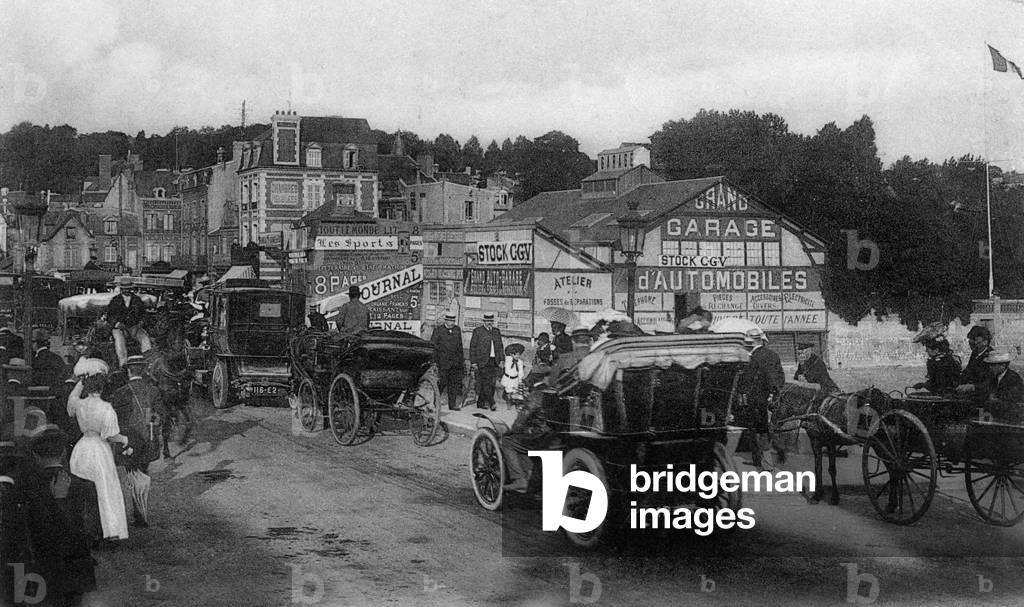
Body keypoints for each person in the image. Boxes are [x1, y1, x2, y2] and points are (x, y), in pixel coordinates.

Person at [67, 359, 129, 546]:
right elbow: (111, 435)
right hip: (99, 450)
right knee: (105, 491)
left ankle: (85, 532)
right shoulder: (106, 408)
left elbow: (71, 400)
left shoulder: (78, 404)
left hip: (82, 448)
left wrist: (83, 380)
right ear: (102, 388)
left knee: (84, 493)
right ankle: (107, 530)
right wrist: (124, 439)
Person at [109, 355, 163, 527]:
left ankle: (139, 515)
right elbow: (160, 416)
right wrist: (151, 426)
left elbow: (114, 418)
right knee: (142, 472)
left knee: (133, 474)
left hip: (128, 440)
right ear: (144, 369)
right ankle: (140, 513)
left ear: (128, 370)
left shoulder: (120, 392)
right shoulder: (153, 390)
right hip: (148, 439)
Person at [738, 327, 785, 471]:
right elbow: (781, 377)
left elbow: (745, 381)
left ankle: (760, 461)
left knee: (755, 430)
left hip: (755, 400)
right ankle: (771, 458)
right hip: (773, 398)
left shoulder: (751, 358)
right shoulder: (773, 355)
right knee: (768, 428)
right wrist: (774, 393)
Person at [106, 276, 152, 368]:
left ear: (131, 289)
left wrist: (139, 325)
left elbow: (144, 314)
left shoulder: (137, 300)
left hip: (134, 327)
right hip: (119, 328)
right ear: (121, 289)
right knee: (119, 342)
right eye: (124, 289)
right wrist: (117, 324)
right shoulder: (115, 301)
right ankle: (123, 364)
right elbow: (110, 316)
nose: (126, 291)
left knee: (145, 340)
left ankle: (148, 362)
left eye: (128, 289)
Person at [469, 312, 504, 411]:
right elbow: (472, 347)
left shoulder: (496, 331)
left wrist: (502, 360)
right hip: (482, 361)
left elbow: (500, 347)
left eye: (491, 321)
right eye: (487, 321)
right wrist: (473, 362)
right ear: (484, 321)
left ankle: (481, 403)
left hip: (494, 361)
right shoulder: (478, 331)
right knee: (486, 382)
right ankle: (492, 403)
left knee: (491, 383)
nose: (489, 323)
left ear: (493, 322)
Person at [431, 313, 465, 411]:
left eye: (453, 321)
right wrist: (434, 362)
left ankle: (452, 405)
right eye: (449, 321)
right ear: (445, 320)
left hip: (455, 363)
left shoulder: (457, 329)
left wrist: (461, 361)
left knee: (453, 384)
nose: (451, 323)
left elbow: (460, 347)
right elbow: (433, 347)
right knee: (442, 383)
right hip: (443, 363)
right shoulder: (439, 330)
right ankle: (435, 402)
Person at [985, 350, 1024, 422]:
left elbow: (1012, 401)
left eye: (993, 365)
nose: (990, 367)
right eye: (990, 365)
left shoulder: (1013, 379)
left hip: (1011, 418)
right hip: (997, 414)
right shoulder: (994, 378)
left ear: (1003, 365)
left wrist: (993, 399)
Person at [957, 326, 995, 401]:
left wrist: (972, 386)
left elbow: (989, 382)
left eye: (975, 339)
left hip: (983, 397)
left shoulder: (990, 356)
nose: (971, 342)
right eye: (970, 339)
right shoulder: (975, 353)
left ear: (985, 342)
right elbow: (968, 371)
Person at [30, 328, 68, 397]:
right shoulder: (57, 358)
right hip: (55, 395)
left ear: (35, 343)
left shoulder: (35, 360)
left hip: (38, 395)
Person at [500, 343, 527, 408]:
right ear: (511, 354)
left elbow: (520, 372)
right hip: (508, 379)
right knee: (508, 391)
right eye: (515, 354)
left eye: (518, 354)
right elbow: (502, 356)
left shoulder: (520, 362)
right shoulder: (507, 359)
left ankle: (516, 404)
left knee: (516, 392)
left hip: (515, 379)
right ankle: (508, 403)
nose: (517, 356)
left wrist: (520, 380)